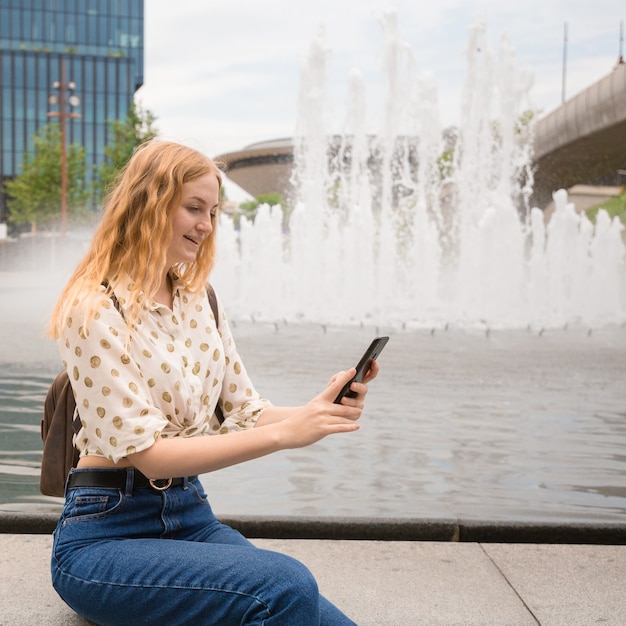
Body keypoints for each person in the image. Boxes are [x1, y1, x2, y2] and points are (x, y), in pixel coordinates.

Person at [48, 140, 379, 626]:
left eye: (213, 211)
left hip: (189, 515)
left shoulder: (198, 298)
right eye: (193, 208)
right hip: (106, 532)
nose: (206, 225)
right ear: (150, 203)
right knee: (285, 586)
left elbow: (244, 409)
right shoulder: (92, 306)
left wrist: (318, 410)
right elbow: (149, 453)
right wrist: (285, 436)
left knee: (307, 609)